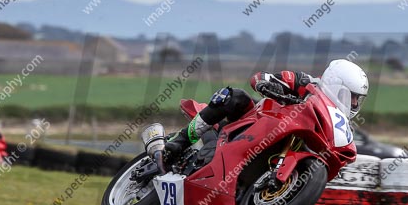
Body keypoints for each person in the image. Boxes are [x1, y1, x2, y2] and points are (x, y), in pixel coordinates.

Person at [150, 59, 369, 158]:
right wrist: (267, 83)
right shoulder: (306, 83)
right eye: (354, 99)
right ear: (338, 87)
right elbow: (262, 77)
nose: (355, 105)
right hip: (254, 123)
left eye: (359, 101)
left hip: (279, 146)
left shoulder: (339, 124)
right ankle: (178, 141)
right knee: (235, 96)